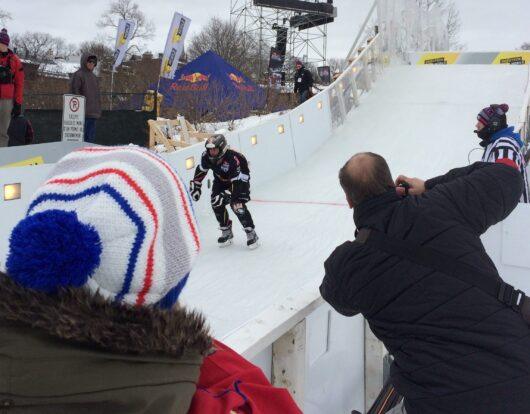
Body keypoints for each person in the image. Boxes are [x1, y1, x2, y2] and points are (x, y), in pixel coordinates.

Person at [0, 145, 300, 414]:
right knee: (220, 205)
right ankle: (227, 227)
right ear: (170, 281)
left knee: (233, 204)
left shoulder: (234, 160)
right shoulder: (210, 400)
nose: (210, 155)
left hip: (234, 189)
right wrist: (187, 346)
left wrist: (237, 194)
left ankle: (245, 228)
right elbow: (199, 174)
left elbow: (242, 178)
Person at [320, 152, 530, 414]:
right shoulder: (442, 203)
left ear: (350, 201)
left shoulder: (348, 264)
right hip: (519, 373)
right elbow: (508, 176)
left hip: (440, 400)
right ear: (391, 184)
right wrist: (428, 186)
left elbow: (337, 298)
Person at [189, 134, 259, 249]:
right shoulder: (206, 156)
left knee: (237, 205)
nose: (211, 152)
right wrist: (196, 185)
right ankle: (226, 231)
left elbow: (238, 182)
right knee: (216, 202)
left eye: (214, 149)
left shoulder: (234, 158)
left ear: (222, 148)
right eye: (209, 149)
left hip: (239, 181)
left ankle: (251, 232)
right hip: (220, 180)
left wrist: (233, 197)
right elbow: (202, 170)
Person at [474, 103, 529, 202]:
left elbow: (505, 184)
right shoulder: (495, 144)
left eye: (481, 122)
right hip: (505, 212)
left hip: (512, 213)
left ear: (493, 124)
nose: (477, 125)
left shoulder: (504, 146)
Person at [0, 28, 24, 147]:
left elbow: (19, 84)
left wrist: (18, 103)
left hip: (7, 101)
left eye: (3, 43)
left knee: (3, 132)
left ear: (7, 44)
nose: (1, 46)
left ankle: (2, 157)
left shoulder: (15, 61)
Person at [71, 53, 101, 143]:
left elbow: (97, 95)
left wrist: (98, 109)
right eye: (89, 61)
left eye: (93, 62)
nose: (91, 63)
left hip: (93, 114)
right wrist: (78, 111)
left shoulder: (94, 77)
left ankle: (87, 156)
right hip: (81, 115)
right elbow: (75, 93)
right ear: (84, 61)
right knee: (80, 141)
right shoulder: (78, 75)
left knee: (89, 141)